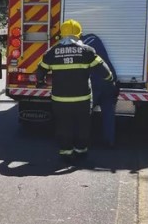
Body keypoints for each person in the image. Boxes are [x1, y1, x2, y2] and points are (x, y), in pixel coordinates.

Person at [35, 20, 114, 159]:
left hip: (60, 100)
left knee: (63, 125)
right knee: (83, 125)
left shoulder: (51, 52)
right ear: (79, 34)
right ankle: (80, 151)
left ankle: (66, 152)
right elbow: (104, 70)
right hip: (82, 100)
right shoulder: (87, 51)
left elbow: (40, 71)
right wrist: (110, 79)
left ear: (61, 34)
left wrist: (40, 82)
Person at [82, 33, 119, 147]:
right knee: (108, 112)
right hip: (109, 81)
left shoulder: (79, 47)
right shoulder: (94, 38)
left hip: (95, 83)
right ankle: (109, 141)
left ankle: (83, 141)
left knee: (85, 113)